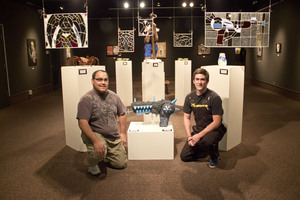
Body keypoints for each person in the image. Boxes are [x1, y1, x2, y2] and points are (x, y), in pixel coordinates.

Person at [77, 70, 127, 176]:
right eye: (99, 79)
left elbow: (122, 114)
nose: (103, 82)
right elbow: (82, 123)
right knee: (99, 152)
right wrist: (95, 141)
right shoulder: (86, 99)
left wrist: (122, 133)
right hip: (95, 134)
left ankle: (106, 151)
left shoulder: (114, 96)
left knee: (121, 164)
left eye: (105, 80)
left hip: (112, 135)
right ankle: (91, 163)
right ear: (92, 81)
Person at [180, 68, 227, 168]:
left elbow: (217, 122)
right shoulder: (189, 97)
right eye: (197, 79)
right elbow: (186, 118)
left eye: (202, 79)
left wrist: (199, 136)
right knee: (184, 156)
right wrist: (189, 137)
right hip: (199, 128)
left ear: (207, 81)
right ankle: (206, 148)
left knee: (207, 141)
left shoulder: (214, 98)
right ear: (193, 81)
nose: (199, 82)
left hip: (215, 129)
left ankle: (214, 156)